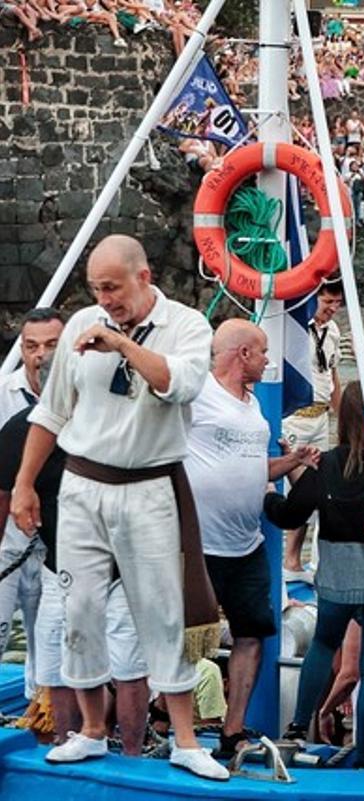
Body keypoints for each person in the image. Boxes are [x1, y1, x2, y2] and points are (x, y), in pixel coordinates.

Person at [10, 234, 227, 779]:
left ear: (144, 277)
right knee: (78, 608)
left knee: (161, 608)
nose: (104, 299)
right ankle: (88, 730)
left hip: (150, 483)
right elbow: (52, 413)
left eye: (112, 287)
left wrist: (122, 344)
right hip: (83, 484)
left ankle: (183, 738)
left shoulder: (188, 327)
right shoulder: (83, 323)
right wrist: (24, 484)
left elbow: (179, 384)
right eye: (95, 289)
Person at [0, 343, 150, 755]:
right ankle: (68, 741)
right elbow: (2, 498)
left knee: (130, 665)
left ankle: (133, 751)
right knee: (55, 658)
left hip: (126, 562)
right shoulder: (18, 432)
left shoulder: (122, 425)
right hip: (58, 562)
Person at [185, 320, 318, 757]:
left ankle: (232, 729)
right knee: (185, 640)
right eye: (262, 352)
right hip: (198, 544)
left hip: (246, 545)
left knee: (252, 634)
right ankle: (177, 726)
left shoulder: (254, 406)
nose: (267, 360)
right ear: (242, 353)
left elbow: (255, 468)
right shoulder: (197, 394)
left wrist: (292, 460)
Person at [265, 382, 364, 767]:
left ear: (341, 419)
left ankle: (299, 726)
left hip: (335, 576)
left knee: (322, 645)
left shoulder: (328, 464)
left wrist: (270, 488)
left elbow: (290, 514)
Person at [0, 307, 64, 701]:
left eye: (51, 345)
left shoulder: (86, 398)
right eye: (31, 346)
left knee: (50, 641)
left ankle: (42, 719)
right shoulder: (2, 395)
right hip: (8, 541)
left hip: (59, 544)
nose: (40, 355)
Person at [282, 280, 345, 583]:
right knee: (297, 491)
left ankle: (307, 562)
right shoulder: (294, 327)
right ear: (314, 298)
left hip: (321, 417)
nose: (332, 309)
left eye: (337, 304)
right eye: (327, 302)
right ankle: (289, 559)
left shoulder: (332, 332)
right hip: (295, 417)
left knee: (318, 488)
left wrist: (344, 417)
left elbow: (332, 376)